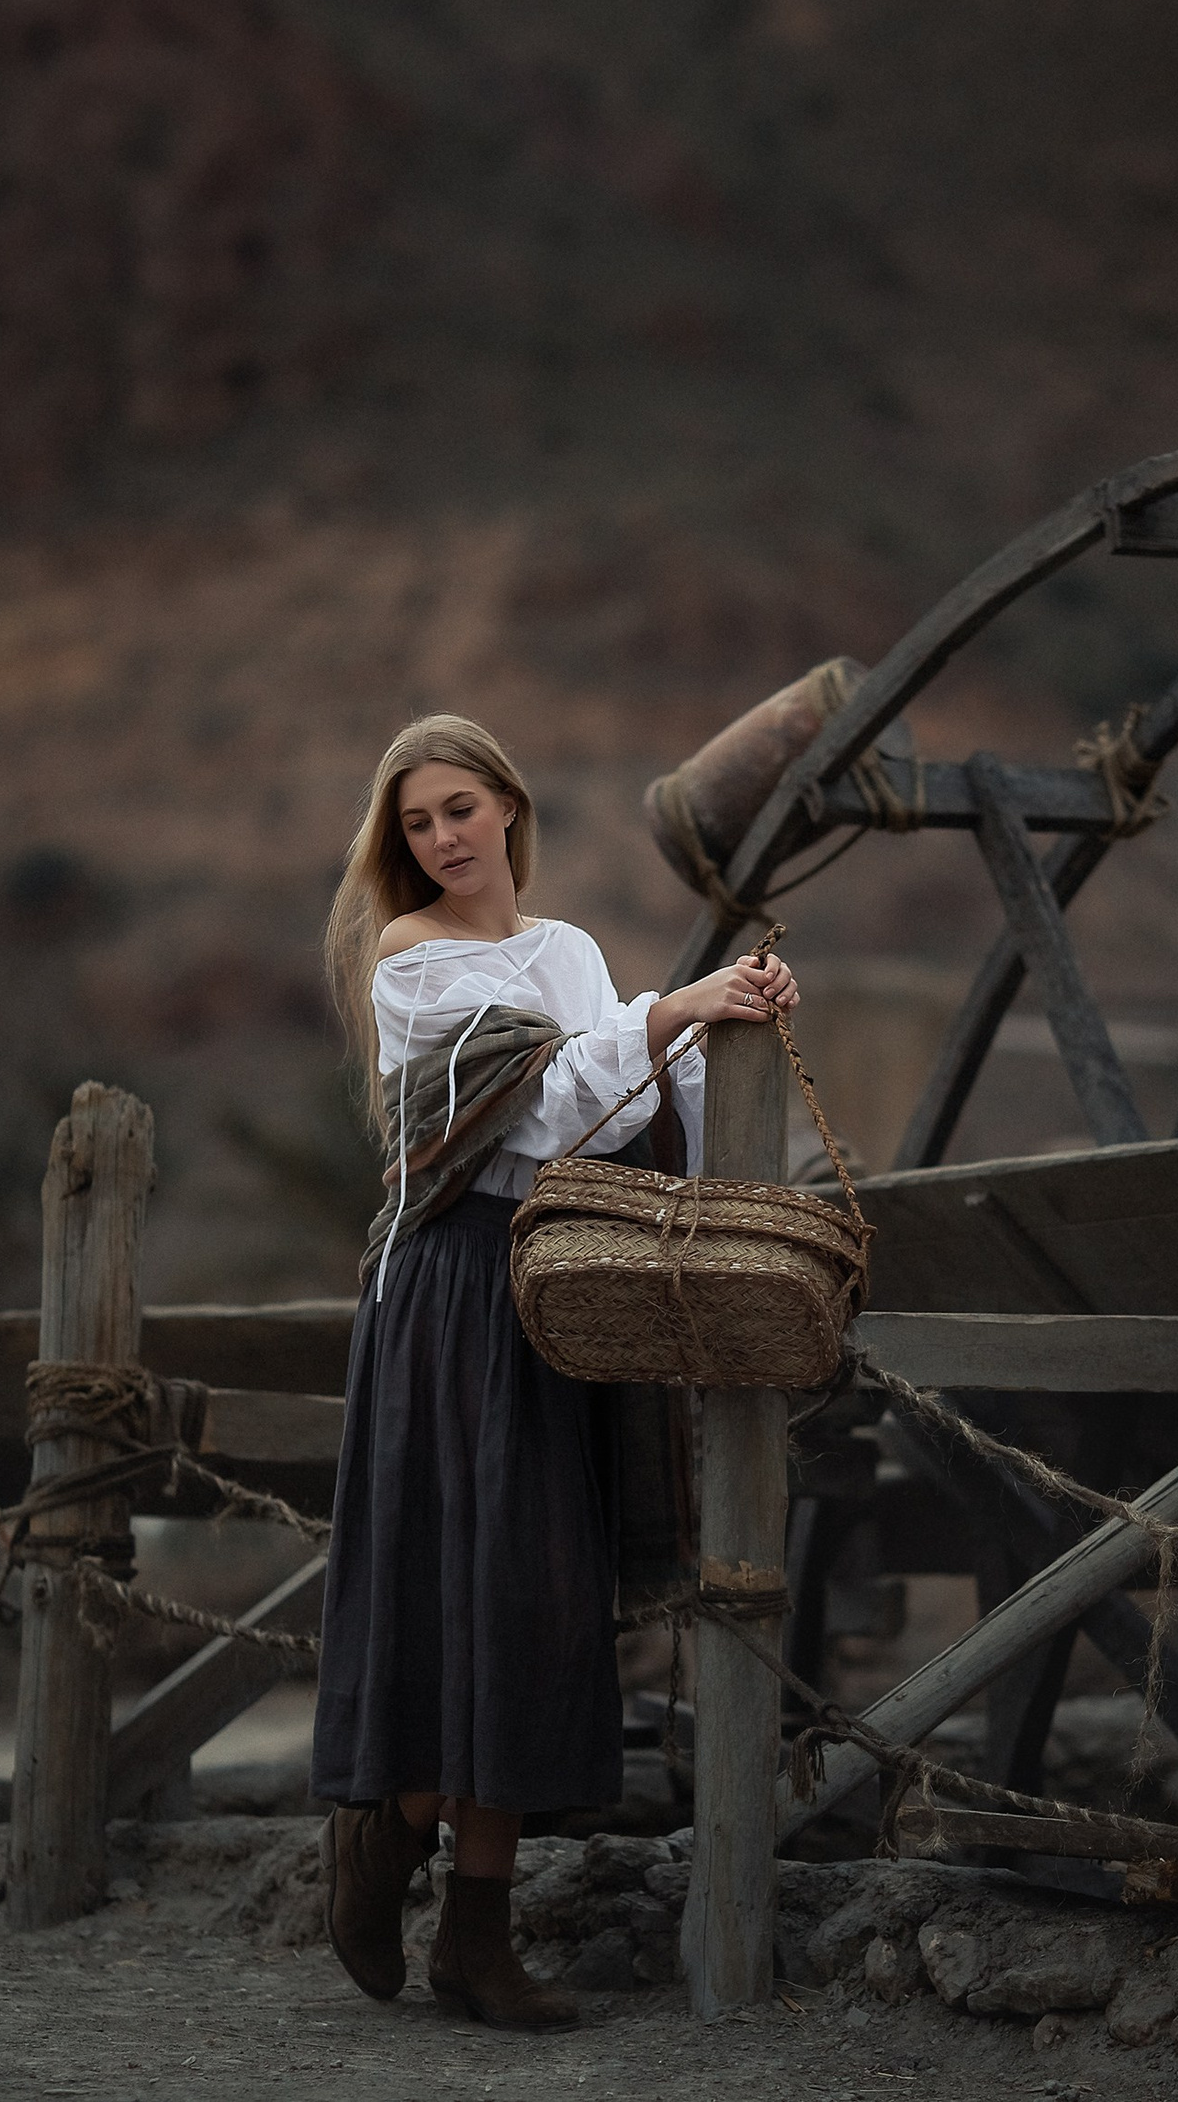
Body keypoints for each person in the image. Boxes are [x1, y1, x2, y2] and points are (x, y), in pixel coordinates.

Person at [311, 713, 797, 2029]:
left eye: (461, 809)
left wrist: (719, 1020)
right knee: (466, 1597)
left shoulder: (571, 953)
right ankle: (394, 1839)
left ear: (511, 809)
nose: (443, 839)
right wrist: (673, 1011)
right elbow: (532, 1106)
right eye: (417, 823)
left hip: (557, 1287)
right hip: (454, 1288)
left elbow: (621, 1111)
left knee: (533, 1604)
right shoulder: (408, 963)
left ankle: (465, 1926)